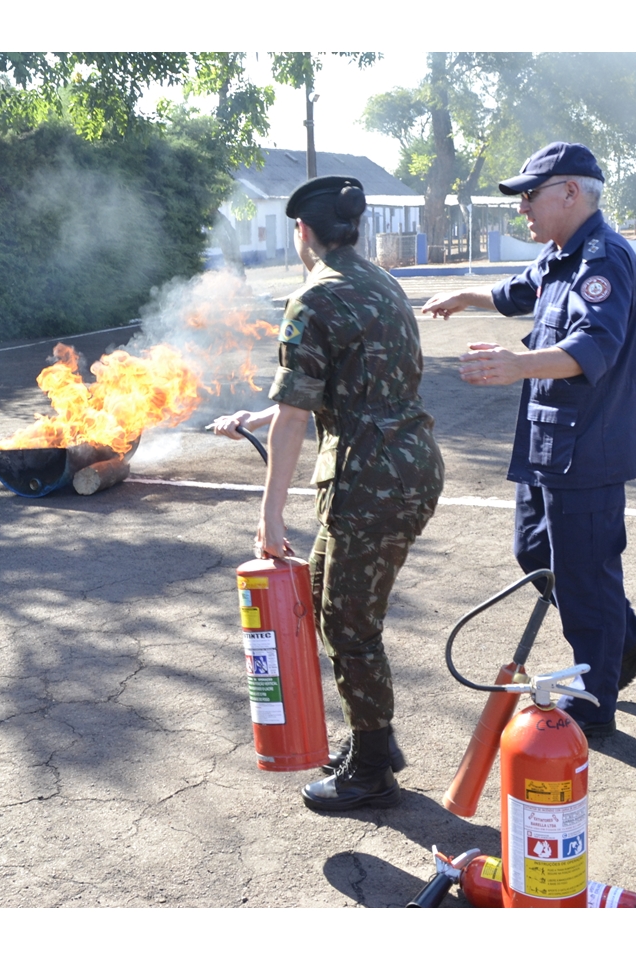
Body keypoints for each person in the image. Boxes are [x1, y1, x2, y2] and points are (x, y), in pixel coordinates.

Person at [421, 141, 636, 738]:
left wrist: (517, 365)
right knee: (536, 555)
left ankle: (594, 704)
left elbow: (593, 348)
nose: (523, 207)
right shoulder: (561, 256)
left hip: (588, 450)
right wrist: (465, 295)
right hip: (548, 446)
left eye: (530, 195)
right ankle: (628, 636)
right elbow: (516, 293)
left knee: (585, 578)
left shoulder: (602, 260)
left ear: (571, 192)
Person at [212, 175, 445, 811]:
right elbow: (344, 388)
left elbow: (296, 418)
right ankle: (377, 741)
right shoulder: (382, 282)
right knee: (325, 601)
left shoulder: (313, 299)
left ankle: (371, 772)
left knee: (349, 622)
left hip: (368, 480)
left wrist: (269, 518)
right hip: (411, 464)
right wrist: (260, 417)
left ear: (303, 233)